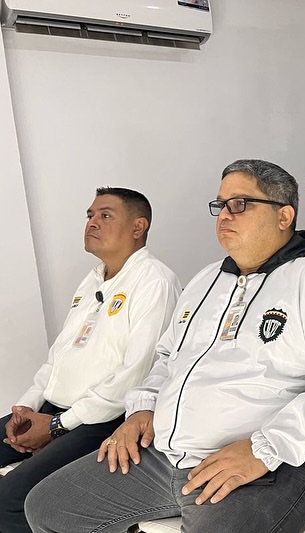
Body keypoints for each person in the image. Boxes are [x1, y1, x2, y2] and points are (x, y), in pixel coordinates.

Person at [25, 160, 305, 533]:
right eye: (221, 204)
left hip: (276, 460)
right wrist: (143, 408)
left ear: (284, 216)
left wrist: (262, 449)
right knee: (49, 508)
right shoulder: (206, 280)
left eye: (240, 204)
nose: (225, 214)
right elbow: (167, 358)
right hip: (166, 453)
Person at [0, 187, 180, 533]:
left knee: (11, 499)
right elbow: (59, 356)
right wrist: (25, 407)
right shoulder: (93, 279)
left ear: (138, 227)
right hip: (56, 410)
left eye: (105, 215)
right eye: (90, 215)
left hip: (102, 421)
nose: (92, 223)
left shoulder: (155, 281)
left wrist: (57, 426)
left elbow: (135, 377)